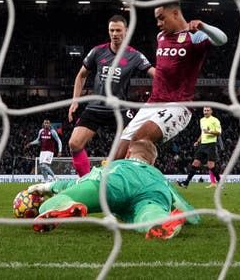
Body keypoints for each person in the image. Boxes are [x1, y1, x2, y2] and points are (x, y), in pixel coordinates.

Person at [114, 0, 228, 160]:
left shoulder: (194, 36)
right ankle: (112, 182)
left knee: (140, 139)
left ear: (175, 14)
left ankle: (143, 182)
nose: (158, 23)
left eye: (161, 18)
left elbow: (222, 39)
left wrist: (203, 26)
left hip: (178, 104)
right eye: (156, 19)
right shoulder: (161, 36)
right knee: (119, 150)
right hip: (153, 102)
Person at [28, 140, 200, 240]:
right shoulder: (158, 175)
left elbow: (79, 181)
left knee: (51, 204)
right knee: (149, 213)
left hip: (114, 184)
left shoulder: (117, 164)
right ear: (152, 162)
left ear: (128, 153)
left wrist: (47, 186)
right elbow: (181, 204)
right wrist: (192, 217)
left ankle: (65, 205)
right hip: (152, 191)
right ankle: (160, 220)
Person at [67, 15, 155, 178]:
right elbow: (81, 75)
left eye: (118, 30)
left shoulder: (134, 55)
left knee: (137, 145)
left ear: (126, 31)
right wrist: (75, 101)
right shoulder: (98, 51)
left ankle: (135, 181)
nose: (114, 33)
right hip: (96, 107)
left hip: (120, 109)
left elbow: (154, 74)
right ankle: (87, 181)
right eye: (112, 30)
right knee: (74, 143)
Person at [178, 106, 222, 189]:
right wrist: (198, 141)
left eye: (208, 110)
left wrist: (209, 131)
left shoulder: (215, 120)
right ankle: (186, 183)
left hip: (211, 144)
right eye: (204, 110)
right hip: (203, 145)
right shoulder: (202, 120)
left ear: (211, 111)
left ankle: (220, 181)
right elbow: (203, 133)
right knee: (195, 163)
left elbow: (219, 133)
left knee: (210, 166)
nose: (206, 112)